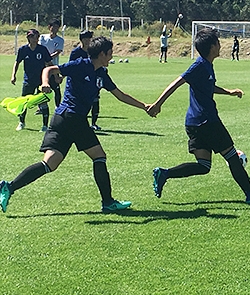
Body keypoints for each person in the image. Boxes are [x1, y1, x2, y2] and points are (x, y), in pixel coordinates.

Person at [0, 36, 154, 214]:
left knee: (49, 164)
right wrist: (44, 83)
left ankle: (8, 187)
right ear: (102, 54)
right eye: (110, 53)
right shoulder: (81, 65)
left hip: (63, 119)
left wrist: (144, 106)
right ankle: (108, 202)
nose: (112, 57)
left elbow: (120, 95)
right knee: (99, 156)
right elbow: (50, 69)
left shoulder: (101, 74)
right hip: (72, 118)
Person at [148, 28, 250, 205]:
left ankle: (164, 173)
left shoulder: (206, 65)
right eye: (218, 43)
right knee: (232, 157)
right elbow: (178, 82)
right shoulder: (199, 65)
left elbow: (208, 87)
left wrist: (228, 92)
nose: (220, 45)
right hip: (207, 121)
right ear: (212, 47)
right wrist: (158, 104)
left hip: (195, 123)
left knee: (204, 166)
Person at [10, 29, 52, 132]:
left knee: (43, 102)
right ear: (28, 38)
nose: (35, 39)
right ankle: (21, 122)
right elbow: (17, 62)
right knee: (24, 102)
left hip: (41, 81)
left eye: (37, 37)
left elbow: (49, 63)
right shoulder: (23, 49)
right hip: (28, 80)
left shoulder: (42, 49)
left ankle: (45, 126)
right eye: (33, 37)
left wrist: (55, 75)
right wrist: (13, 75)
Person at [69, 30, 101, 130]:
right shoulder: (76, 52)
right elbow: (71, 67)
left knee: (95, 100)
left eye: (89, 39)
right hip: (80, 82)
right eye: (85, 39)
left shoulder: (94, 52)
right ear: (81, 40)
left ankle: (94, 123)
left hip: (93, 79)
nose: (87, 41)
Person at [39, 19, 64, 106]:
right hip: (42, 66)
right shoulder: (42, 37)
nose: (55, 29)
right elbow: (40, 49)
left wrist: (48, 59)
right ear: (49, 27)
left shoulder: (60, 40)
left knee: (56, 88)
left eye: (57, 27)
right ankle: (41, 107)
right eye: (54, 27)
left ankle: (58, 107)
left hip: (53, 67)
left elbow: (57, 52)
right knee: (42, 87)